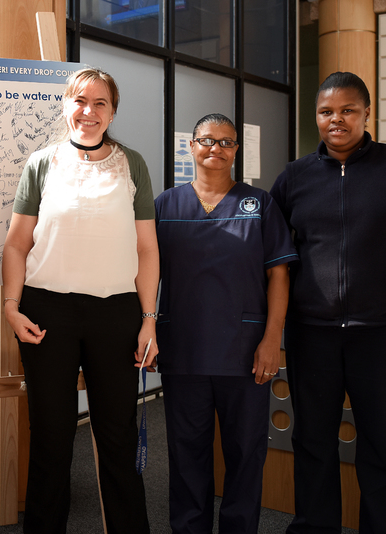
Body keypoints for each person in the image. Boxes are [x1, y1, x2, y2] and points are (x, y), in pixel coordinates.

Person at [270, 72, 386, 534]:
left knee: (383, 445)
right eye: (327, 112)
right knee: (312, 441)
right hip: (312, 334)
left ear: (367, 114)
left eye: (348, 110)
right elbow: (268, 252)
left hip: (382, 334)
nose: (337, 120)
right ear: (317, 116)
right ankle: (315, 526)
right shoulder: (295, 176)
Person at [2, 67, 158, 534]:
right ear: (66, 105)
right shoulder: (42, 163)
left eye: (100, 104)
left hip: (116, 312)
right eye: (80, 101)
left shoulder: (133, 164)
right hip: (47, 312)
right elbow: (15, 244)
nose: (88, 112)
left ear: (112, 112)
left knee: (117, 434)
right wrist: (11, 306)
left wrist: (149, 320)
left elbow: (147, 248)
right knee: (51, 437)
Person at [155, 113, 296, 534]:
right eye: (206, 140)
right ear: (191, 146)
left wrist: (273, 339)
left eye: (226, 142)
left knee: (246, 453)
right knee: (185, 453)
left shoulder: (260, 204)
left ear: (237, 150)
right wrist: (144, 331)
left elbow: (279, 275)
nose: (215, 148)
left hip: (246, 352)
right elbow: (143, 274)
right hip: (184, 349)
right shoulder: (165, 204)